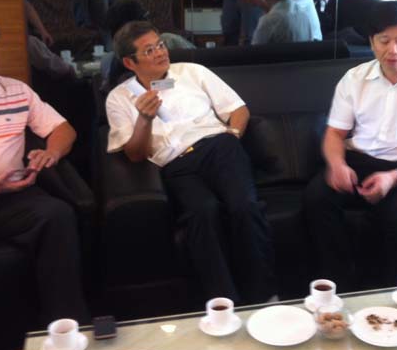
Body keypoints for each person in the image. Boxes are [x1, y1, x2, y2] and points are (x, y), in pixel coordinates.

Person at [0, 12, 89, 350]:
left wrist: (51, 153)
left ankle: (65, 335)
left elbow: (63, 129)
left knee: (57, 215)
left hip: (14, 195)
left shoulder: (15, 91)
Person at [105, 20, 275, 304]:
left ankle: (264, 298)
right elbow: (134, 154)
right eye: (149, 50)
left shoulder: (192, 72)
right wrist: (144, 119)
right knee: (202, 213)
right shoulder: (119, 98)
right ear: (129, 62)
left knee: (243, 206)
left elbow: (238, 110)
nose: (161, 52)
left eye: (160, 45)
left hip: (219, 147)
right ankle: (223, 304)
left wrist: (233, 135)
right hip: (177, 165)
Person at [304, 1, 397, 290]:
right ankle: (337, 283)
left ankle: (387, 292)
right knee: (316, 199)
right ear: (372, 42)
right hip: (356, 159)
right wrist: (337, 165)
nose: (392, 50)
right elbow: (335, 134)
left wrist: (393, 178)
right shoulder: (354, 79)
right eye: (384, 41)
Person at [101, 0, 195, 87]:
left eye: (161, 46)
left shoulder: (108, 60)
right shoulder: (169, 40)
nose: (159, 53)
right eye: (149, 51)